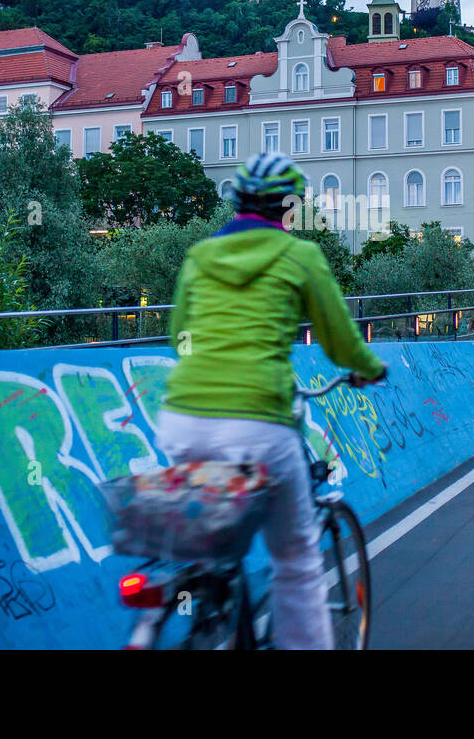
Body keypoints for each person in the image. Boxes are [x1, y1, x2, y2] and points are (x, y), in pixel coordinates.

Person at [158, 152, 387, 649]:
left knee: (211, 547)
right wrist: (370, 368)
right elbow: (339, 339)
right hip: (258, 424)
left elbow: (179, 336)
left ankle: (203, 596)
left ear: (238, 201)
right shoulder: (299, 257)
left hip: (182, 420)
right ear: (289, 208)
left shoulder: (199, 256)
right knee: (298, 558)